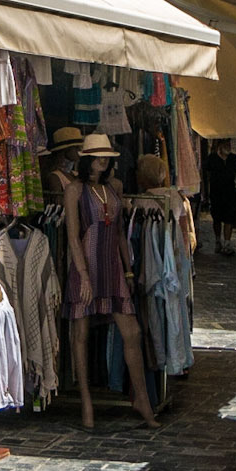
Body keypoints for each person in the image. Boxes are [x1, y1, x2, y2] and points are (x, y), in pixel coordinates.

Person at [62, 133, 159, 429]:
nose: (103, 161)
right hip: (87, 266)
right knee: (80, 336)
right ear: (87, 159)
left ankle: (141, 398)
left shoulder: (114, 188)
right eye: (98, 156)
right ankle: (86, 404)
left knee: (131, 331)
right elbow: (73, 237)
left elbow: (119, 234)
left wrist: (129, 270)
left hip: (113, 267)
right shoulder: (75, 190)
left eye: (107, 156)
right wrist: (84, 276)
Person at [204, 139, 236, 256]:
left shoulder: (233, 159)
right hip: (216, 194)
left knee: (229, 218)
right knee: (217, 219)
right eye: (225, 144)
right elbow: (207, 174)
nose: (228, 146)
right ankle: (218, 240)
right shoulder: (212, 158)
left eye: (229, 144)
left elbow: (234, 174)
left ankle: (227, 243)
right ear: (219, 146)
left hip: (229, 193)